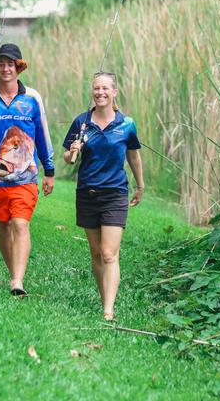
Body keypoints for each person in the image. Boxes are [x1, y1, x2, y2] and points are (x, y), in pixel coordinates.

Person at [0, 43, 55, 297]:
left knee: (20, 224)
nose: (6, 69)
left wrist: (49, 170)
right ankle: (12, 271)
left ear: (19, 67)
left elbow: (42, 134)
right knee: (3, 226)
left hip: (26, 176)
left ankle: (17, 281)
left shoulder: (32, 98)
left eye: (11, 64)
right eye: (2, 64)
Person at [62, 71, 144, 320]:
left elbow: (133, 155)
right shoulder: (81, 122)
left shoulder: (126, 124)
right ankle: (104, 296)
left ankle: (108, 310)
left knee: (109, 253)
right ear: (92, 91)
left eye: (105, 88)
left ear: (114, 92)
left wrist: (140, 185)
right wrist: (73, 151)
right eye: (97, 88)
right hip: (87, 192)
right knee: (96, 252)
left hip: (115, 193)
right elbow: (67, 157)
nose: (100, 93)